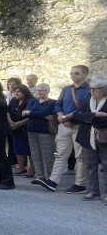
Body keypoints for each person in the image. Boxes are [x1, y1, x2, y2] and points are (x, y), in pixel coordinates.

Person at [38, 65, 91, 193]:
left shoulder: (89, 90)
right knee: (61, 154)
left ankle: (80, 184)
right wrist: (61, 115)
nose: (73, 75)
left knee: (80, 156)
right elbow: (58, 104)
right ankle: (53, 181)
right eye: (71, 73)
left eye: (76, 73)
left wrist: (68, 118)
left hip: (80, 125)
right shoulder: (66, 89)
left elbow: (87, 108)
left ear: (85, 74)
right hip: (64, 126)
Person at [65, 75, 107, 201]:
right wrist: (95, 115)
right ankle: (93, 191)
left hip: (104, 137)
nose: (92, 92)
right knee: (90, 164)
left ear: (103, 90)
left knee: (106, 165)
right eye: (91, 89)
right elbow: (77, 116)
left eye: (95, 89)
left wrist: (89, 117)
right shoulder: (87, 102)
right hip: (87, 137)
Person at [23, 83, 57, 186]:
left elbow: (43, 112)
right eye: (37, 90)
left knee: (47, 155)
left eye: (41, 90)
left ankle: (49, 177)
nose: (39, 92)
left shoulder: (51, 102)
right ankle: (40, 176)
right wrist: (41, 115)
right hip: (32, 131)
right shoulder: (33, 101)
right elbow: (24, 113)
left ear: (47, 91)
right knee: (35, 155)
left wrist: (31, 113)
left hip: (45, 132)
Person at [7, 84, 35, 176]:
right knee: (18, 148)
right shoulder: (14, 100)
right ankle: (21, 167)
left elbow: (31, 116)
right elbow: (7, 111)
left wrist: (19, 123)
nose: (16, 93)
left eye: (18, 91)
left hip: (26, 127)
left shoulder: (31, 101)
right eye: (15, 91)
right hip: (14, 127)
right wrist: (11, 122)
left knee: (29, 149)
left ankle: (31, 169)